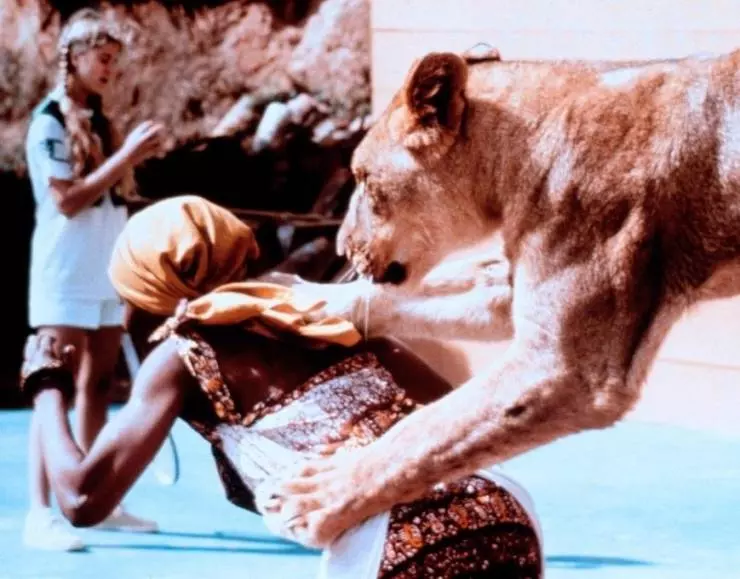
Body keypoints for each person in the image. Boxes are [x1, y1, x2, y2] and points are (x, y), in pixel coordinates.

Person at [21, 195, 544, 577]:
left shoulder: (183, 356)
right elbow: (455, 413)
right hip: (500, 510)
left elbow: (81, 499)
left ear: (149, 288)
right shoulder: (325, 312)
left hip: (396, 541)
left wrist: (47, 385)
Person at [23, 8, 162, 550]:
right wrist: (126, 156)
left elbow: (110, 201)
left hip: (104, 270)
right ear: (76, 57)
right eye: (102, 59)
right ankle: (41, 512)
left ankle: (91, 499)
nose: (109, 69)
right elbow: (66, 200)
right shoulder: (48, 122)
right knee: (51, 383)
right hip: (63, 271)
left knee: (98, 383)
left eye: (113, 62)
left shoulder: (100, 121)